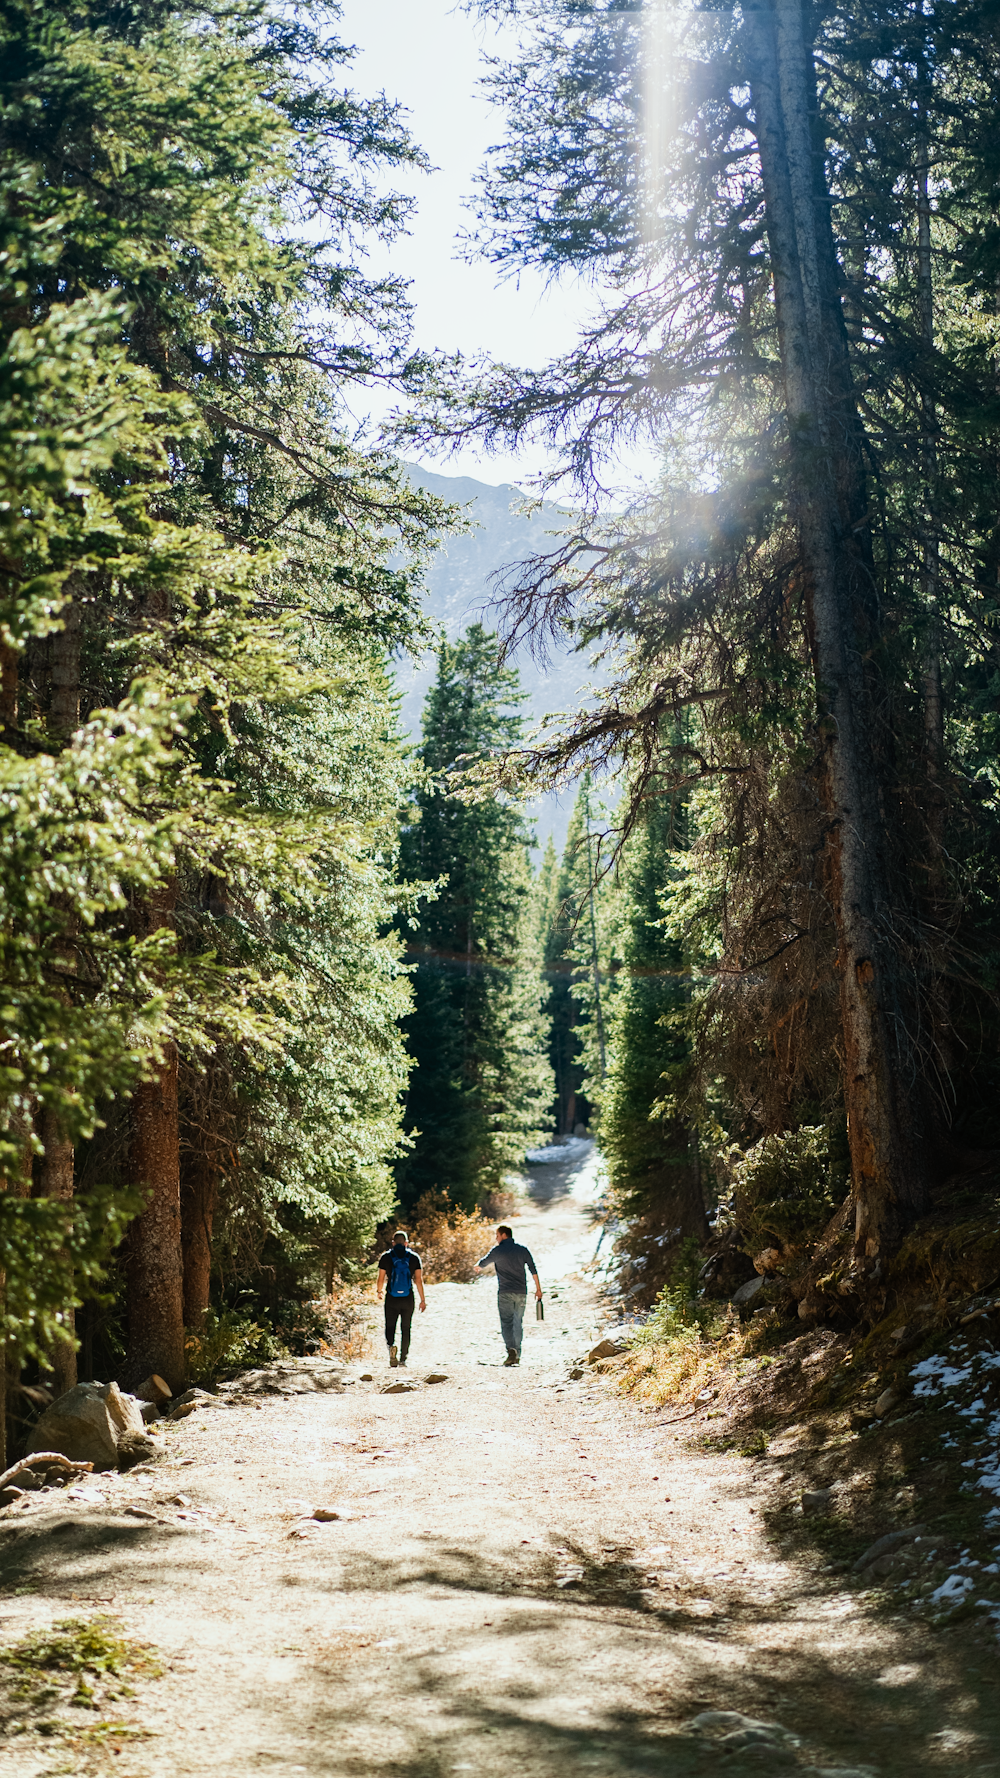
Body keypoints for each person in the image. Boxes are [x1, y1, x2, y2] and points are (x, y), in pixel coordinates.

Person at [475, 1224, 542, 1366]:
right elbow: (533, 1269)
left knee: (506, 1322)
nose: (496, 1238)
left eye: (497, 1235)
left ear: (504, 1235)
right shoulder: (522, 1250)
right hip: (521, 1292)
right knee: (518, 1322)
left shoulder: (498, 1251)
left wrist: (478, 1266)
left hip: (505, 1292)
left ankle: (511, 1350)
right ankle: (517, 1353)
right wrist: (538, 1289)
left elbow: (484, 1262)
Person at [376, 1230, 426, 1367]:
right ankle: (403, 1358)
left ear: (393, 1243)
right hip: (408, 1298)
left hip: (391, 1297)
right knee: (406, 1327)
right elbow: (418, 1280)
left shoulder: (386, 1257)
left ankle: (391, 1346)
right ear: (406, 1243)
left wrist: (379, 1291)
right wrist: (423, 1300)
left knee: (390, 1326)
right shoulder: (414, 1257)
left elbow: (381, 1278)